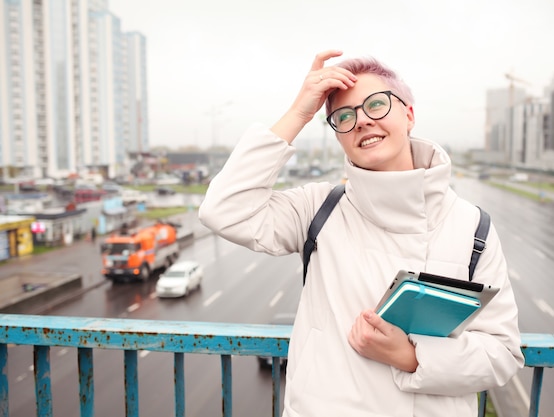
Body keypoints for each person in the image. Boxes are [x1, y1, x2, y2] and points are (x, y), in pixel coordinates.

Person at [198, 50, 524, 417]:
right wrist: (299, 113)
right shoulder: (319, 209)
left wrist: (412, 357)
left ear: (409, 114)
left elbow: (502, 353)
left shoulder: (472, 227)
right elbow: (223, 209)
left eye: (377, 105)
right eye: (344, 116)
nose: (362, 121)